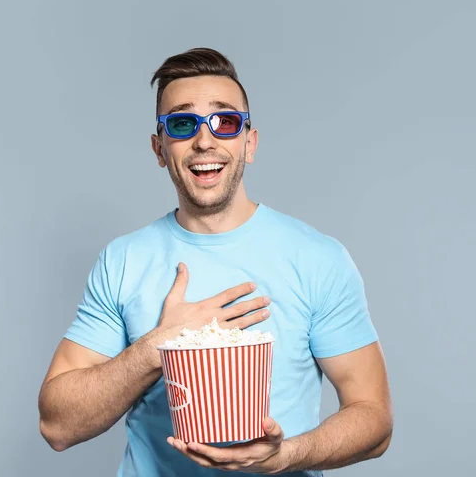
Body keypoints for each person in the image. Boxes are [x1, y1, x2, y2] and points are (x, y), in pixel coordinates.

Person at [38, 48, 393, 476]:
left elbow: (374, 418)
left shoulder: (318, 258)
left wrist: (286, 457)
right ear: (159, 147)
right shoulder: (123, 261)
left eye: (225, 122)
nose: (204, 140)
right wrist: (159, 346)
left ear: (250, 142)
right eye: (182, 123)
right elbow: (57, 425)